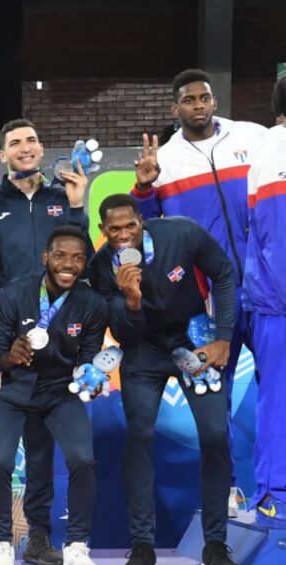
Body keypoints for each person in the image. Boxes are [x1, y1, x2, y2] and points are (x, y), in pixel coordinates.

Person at [131, 69, 267, 515]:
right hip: (209, 300)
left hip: (267, 291)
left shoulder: (253, 138)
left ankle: (275, 488)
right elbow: (148, 233)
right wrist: (146, 188)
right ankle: (225, 492)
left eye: (205, 97)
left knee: (278, 389)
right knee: (215, 399)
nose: (199, 105)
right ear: (176, 109)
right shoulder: (165, 160)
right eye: (189, 100)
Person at [87, 193, 241, 565]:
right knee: (138, 437)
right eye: (114, 230)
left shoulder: (181, 233)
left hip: (193, 340)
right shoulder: (100, 268)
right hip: (142, 351)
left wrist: (223, 337)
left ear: (142, 221)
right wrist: (132, 300)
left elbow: (223, 273)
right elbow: (123, 330)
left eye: (130, 226)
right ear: (103, 231)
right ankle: (142, 545)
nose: (124, 236)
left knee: (215, 434)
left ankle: (216, 544)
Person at [0, 118, 90, 565]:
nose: (25, 147)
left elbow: (82, 265)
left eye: (32, 139)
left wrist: (77, 207)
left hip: (54, 340)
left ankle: (37, 536)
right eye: (14, 141)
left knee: (41, 448)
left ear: (41, 147)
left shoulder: (63, 198)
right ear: (2, 154)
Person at [0, 227, 106, 565]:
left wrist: (91, 378)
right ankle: (1, 545)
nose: (69, 264)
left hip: (59, 392)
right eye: (61, 256)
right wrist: (10, 356)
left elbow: (90, 355)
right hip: (9, 391)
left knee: (83, 459)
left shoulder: (92, 305)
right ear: (46, 259)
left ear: (85, 264)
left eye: (78, 258)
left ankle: (78, 547)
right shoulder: (13, 294)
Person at [243, 76, 286, 520]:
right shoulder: (276, 152)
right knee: (280, 401)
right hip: (280, 306)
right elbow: (279, 237)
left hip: (272, 300)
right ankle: (277, 496)